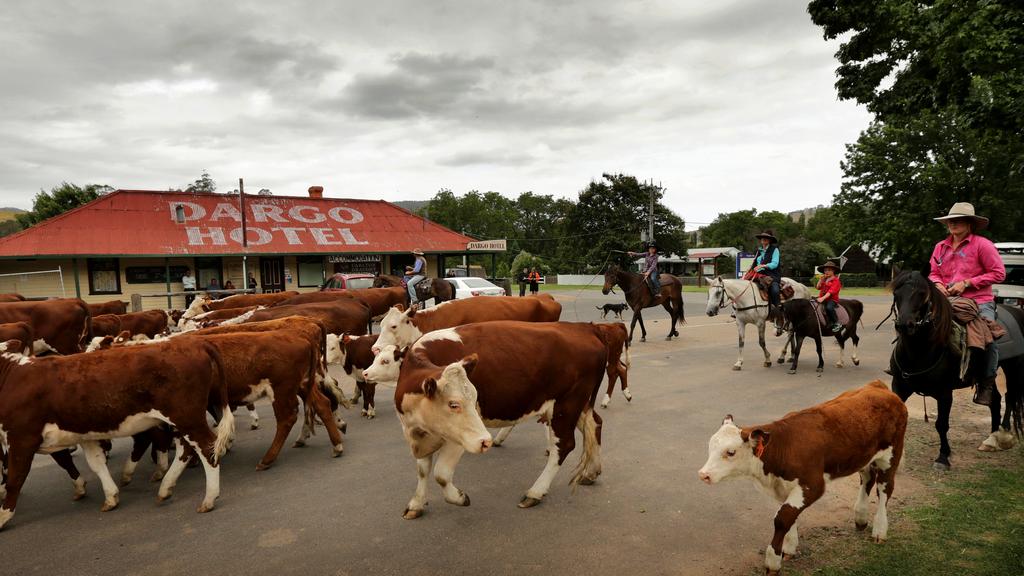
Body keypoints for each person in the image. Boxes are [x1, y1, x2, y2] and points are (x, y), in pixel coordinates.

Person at [928, 202, 1006, 406]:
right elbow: (934, 273)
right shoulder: (940, 247)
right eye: (950, 220)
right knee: (915, 322)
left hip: (978, 301)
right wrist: (937, 284)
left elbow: (999, 273)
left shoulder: (983, 245)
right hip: (946, 300)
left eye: (958, 219)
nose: (953, 223)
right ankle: (909, 368)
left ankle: (987, 383)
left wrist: (967, 282)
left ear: (969, 223)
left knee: (988, 338)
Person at [749, 230, 782, 315]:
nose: (764, 239)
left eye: (766, 238)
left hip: (772, 275)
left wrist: (763, 266)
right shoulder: (758, 251)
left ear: (770, 240)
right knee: (746, 286)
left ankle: (778, 309)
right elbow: (755, 264)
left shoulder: (775, 250)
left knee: (774, 289)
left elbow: (775, 263)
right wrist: (751, 269)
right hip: (759, 275)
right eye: (762, 238)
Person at [816, 260, 843, 333]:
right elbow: (818, 287)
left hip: (832, 299)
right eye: (825, 270)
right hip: (822, 298)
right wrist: (820, 280)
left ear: (833, 271)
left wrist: (822, 298)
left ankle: (837, 323)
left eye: (829, 270)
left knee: (829, 308)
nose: (826, 272)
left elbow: (830, 292)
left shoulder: (836, 280)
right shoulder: (824, 279)